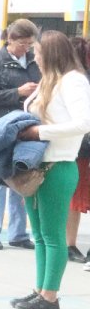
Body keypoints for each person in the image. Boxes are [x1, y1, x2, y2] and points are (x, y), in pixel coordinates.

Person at [8, 32, 90, 309]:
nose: (34, 57)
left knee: (53, 235)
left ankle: (50, 296)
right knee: (40, 235)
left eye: (38, 52)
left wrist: (38, 132)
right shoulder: (50, 80)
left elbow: (84, 123)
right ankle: (40, 290)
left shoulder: (73, 81)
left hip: (58, 166)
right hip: (37, 166)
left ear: (52, 54)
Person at [0, 19, 40, 251]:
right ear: (10, 40)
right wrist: (17, 92)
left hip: (27, 128)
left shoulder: (35, 61)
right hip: (0, 126)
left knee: (21, 177)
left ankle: (18, 233)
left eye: (30, 44)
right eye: (23, 43)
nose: (27, 48)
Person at [70, 37, 90, 266]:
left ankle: (70, 244)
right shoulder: (74, 78)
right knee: (73, 198)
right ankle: (69, 244)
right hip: (78, 146)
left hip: (79, 145)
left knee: (73, 198)